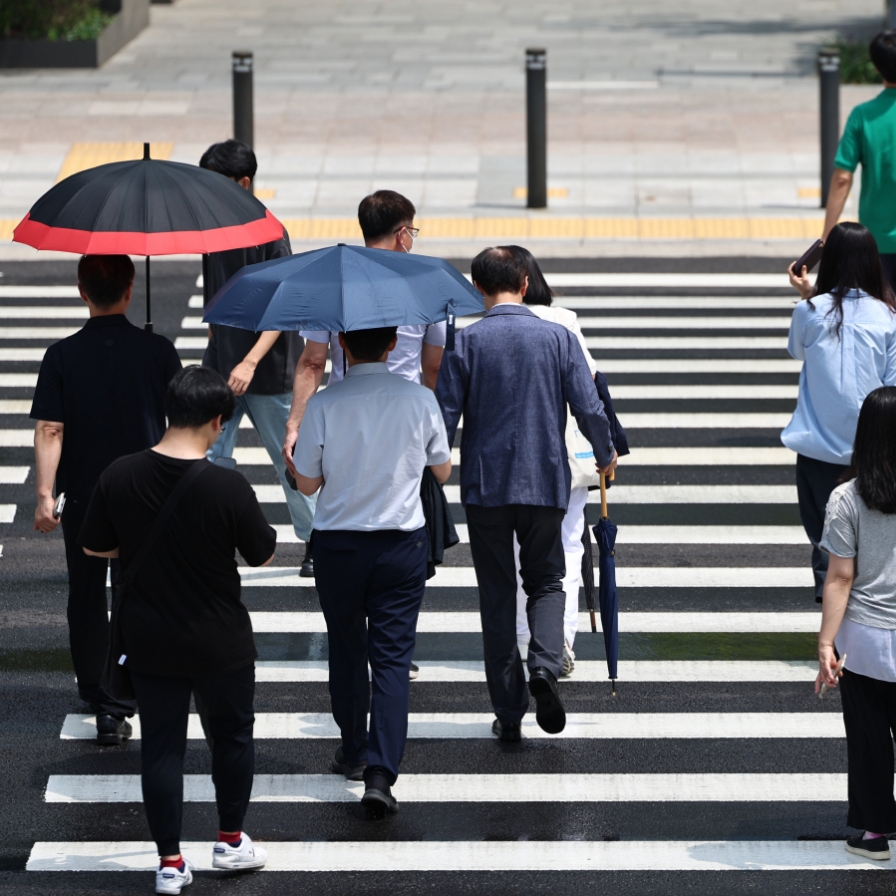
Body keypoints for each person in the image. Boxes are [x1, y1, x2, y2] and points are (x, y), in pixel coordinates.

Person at [79, 367, 276, 895]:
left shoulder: (120, 474)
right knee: (232, 736)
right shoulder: (227, 485)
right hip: (220, 638)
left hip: (149, 638)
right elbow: (263, 553)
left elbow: (95, 546)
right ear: (217, 420)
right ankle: (230, 841)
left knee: (161, 748)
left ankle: (170, 862)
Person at [435, 247, 617, 742]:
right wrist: (604, 454)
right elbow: (589, 406)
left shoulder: (465, 343)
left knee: (496, 595)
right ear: (523, 279)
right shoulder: (557, 337)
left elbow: (443, 419)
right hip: (544, 482)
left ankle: (509, 711)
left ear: (478, 288)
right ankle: (544, 665)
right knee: (548, 580)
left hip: (485, 485)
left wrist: (431, 470)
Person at [283, 189, 445, 677]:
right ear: (401, 234)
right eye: (412, 232)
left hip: (343, 418)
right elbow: (433, 369)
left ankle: (356, 645)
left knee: (348, 517)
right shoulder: (424, 286)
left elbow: (312, 362)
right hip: (405, 423)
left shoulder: (334, 283)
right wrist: (427, 420)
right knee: (399, 522)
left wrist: (296, 422)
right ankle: (393, 643)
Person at [293, 326, 451, 815]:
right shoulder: (419, 400)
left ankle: (354, 749)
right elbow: (442, 470)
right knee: (392, 659)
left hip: (339, 545)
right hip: (401, 545)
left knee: (345, 647)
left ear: (342, 343)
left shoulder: (323, 404)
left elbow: (308, 483)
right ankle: (382, 773)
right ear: (392, 345)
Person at [31, 254, 181, 746]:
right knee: (137, 592)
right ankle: (124, 697)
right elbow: (180, 424)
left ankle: (96, 689)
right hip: (147, 493)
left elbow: (52, 429)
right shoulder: (158, 350)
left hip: (89, 496)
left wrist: (45, 495)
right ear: (130, 288)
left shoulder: (61, 356)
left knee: (87, 592)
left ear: (81, 290)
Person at [199, 139, 316, 577]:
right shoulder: (211, 230)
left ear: (243, 183)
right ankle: (210, 540)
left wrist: (248, 361)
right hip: (221, 365)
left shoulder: (271, 233)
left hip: (268, 372)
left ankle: (314, 540)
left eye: (217, 184)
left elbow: (283, 310)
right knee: (210, 457)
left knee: (289, 460)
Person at [785, 222, 896, 601]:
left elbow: (799, 350)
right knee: (868, 540)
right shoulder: (887, 317)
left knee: (825, 543)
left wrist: (808, 293)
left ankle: (828, 638)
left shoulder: (809, 312)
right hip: (871, 453)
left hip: (816, 449)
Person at [509, 246, 600, 678]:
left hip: (511, 460)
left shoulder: (488, 324)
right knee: (568, 544)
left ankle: (527, 641)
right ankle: (560, 639)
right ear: (530, 281)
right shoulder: (563, 321)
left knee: (516, 553)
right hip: (563, 456)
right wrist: (605, 447)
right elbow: (590, 383)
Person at [815, 386, 896, 862]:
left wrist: (826, 642)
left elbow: (841, 576)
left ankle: (873, 834)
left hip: (864, 640)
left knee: (868, 737)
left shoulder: (847, 498)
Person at [823, 31, 896, 287]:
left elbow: (842, 179)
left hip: (877, 241)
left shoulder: (862, 116)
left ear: (876, 67)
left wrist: (827, 236)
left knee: (881, 316)